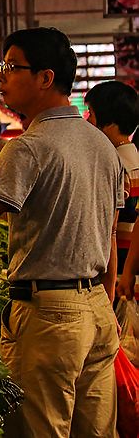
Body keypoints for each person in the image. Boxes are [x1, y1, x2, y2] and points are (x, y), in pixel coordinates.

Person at [0, 27, 123, 438]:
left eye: (11, 67)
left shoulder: (29, 146)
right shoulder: (102, 145)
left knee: (39, 430)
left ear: (45, 78)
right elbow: (111, 232)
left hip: (49, 315)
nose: (1, 77)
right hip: (98, 310)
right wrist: (107, 299)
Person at [85, 80, 139, 300]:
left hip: (118, 281)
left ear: (110, 123)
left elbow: (108, 229)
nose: (87, 121)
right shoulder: (134, 160)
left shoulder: (115, 168)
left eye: (91, 113)